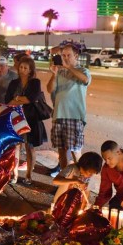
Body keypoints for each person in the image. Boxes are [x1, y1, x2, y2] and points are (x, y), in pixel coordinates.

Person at [46, 44, 91, 172]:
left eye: (68, 55)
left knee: (75, 151)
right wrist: (54, 74)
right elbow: (50, 89)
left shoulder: (83, 71)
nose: (65, 58)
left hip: (74, 116)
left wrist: (69, 67)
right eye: (63, 55)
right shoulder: (60, 72)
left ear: (76, 56)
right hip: (58, 115)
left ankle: (81, 179)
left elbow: (85, 80)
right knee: (62, 150)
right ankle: (65, 178)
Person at [5, 57, 48, 185]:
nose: (22, 70)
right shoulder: (14, 83)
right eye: (21, 67)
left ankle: (29, 175)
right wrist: (22, 99)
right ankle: (14, 174)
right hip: (16, 118)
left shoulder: (35, 82)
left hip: (31, 119)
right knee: (15, 146)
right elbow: (8, 100)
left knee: (30, 147)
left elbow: (32, 98)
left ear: (30, 70)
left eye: (25, 68)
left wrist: (17, 98)